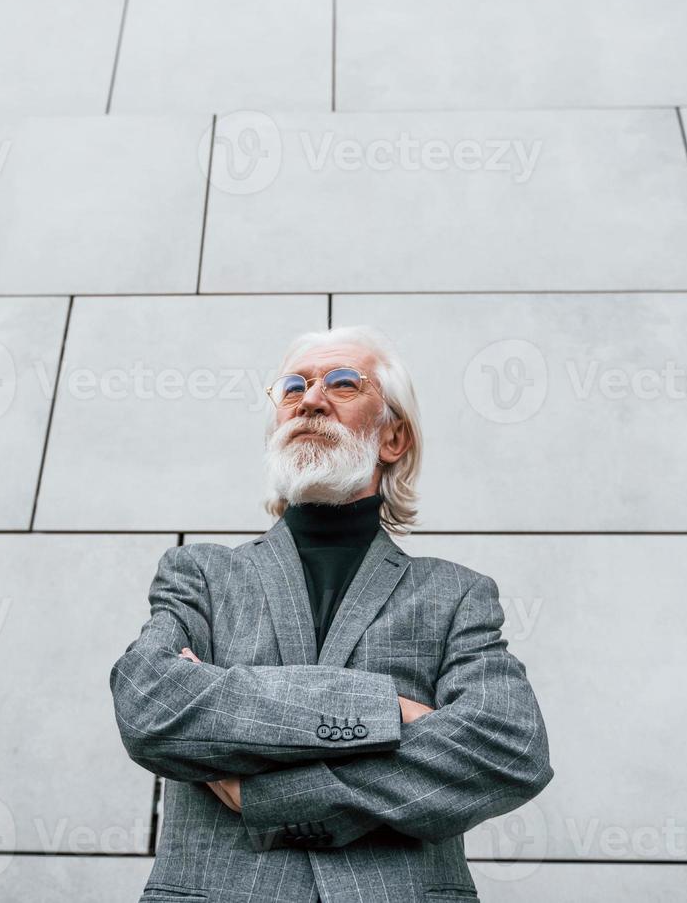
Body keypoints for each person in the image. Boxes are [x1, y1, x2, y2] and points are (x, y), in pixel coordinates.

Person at [109, 325, 553, 902]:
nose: (311, 399)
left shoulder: (456, 594)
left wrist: (268, 795)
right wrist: (385, 709)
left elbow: (508, 749)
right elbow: (150, 708)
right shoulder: (200, 574)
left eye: (343, 383)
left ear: (393, 437)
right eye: (293, 388)